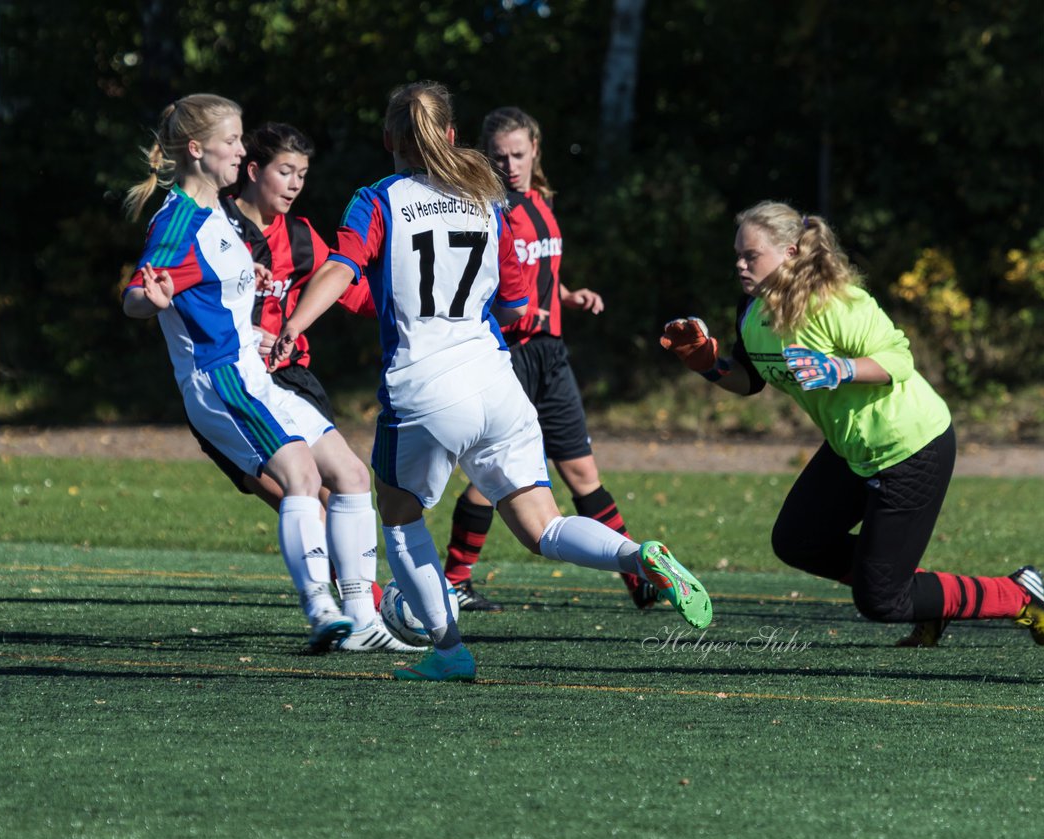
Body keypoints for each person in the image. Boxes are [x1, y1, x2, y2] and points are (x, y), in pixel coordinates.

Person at [272, 81, 712, 682]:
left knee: (400, 521)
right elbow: (512, 303)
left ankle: (449, 651)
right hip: (497, 383)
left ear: (387, 140)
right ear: (452, 136)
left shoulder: (377, 200)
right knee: (544, 526)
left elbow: (340, 267)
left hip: (424, 390)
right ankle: (638, 555)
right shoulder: (489, 201)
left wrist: (293, 325)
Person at [660, 200, 1044, 647]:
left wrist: (839, 368)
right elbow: (750, 381)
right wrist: (707, 365)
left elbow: (899, 359)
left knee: (882, 601)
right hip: (853, 449)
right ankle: (927, 597)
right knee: (798, 540)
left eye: (751, 256)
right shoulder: (751, 310)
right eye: (737, 255)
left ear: (789, 254)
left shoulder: (835, 303)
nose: (740, 265)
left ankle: (1020, 594)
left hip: (910, 447)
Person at [119, 94, 381, 654]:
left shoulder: (217, 213)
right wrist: (151, 297)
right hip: (221, 381)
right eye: (233, 141)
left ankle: (364, 622)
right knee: (302, 480)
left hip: (256, 372)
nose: (243, 150)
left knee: (353, 477)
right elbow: (135, 294)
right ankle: (321, 609)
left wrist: (252, 291)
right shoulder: (180, 217)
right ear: (198, 150)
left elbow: (213, 282)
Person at [189, 120, 408, 652]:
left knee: (344, 486)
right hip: (233, 386)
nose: (293, 185)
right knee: (302, 493)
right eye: (284, 172)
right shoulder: (213, 227)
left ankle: (363, 614)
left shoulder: (304, 237)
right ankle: (350, 609)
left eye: (302, 175)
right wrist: (245, 335)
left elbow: (347, 292)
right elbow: (182, 304)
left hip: (293, 381)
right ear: (252, 170)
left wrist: (412, 313)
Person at [439, 106, 657, 613]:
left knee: (582, 472)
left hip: (552, 355)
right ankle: (455, 580)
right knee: (494, 479)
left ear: (535, 150)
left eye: (518, 154)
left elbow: (536, 270)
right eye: (499, 156)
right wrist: (518, 309)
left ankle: (639, 576)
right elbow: (474, 282)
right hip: (510, 356)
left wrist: (567, 294)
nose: (510, 164)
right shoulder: (481, 207)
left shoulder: (541, 201)